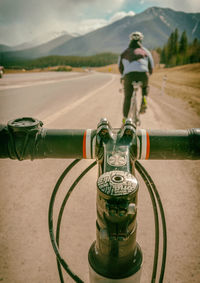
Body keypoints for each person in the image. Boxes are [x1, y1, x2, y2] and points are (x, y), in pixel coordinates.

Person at [118, 31, 154, 124]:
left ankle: (125, 119)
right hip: (143, 75)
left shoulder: (124, 52)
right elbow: (151, 66)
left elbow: (120, 67)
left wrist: (123, 76)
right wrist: (148, 74)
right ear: (141, 40)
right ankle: (144, 99)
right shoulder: (146, 52)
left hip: (129, 76)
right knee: (145, 87)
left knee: (127, 97)